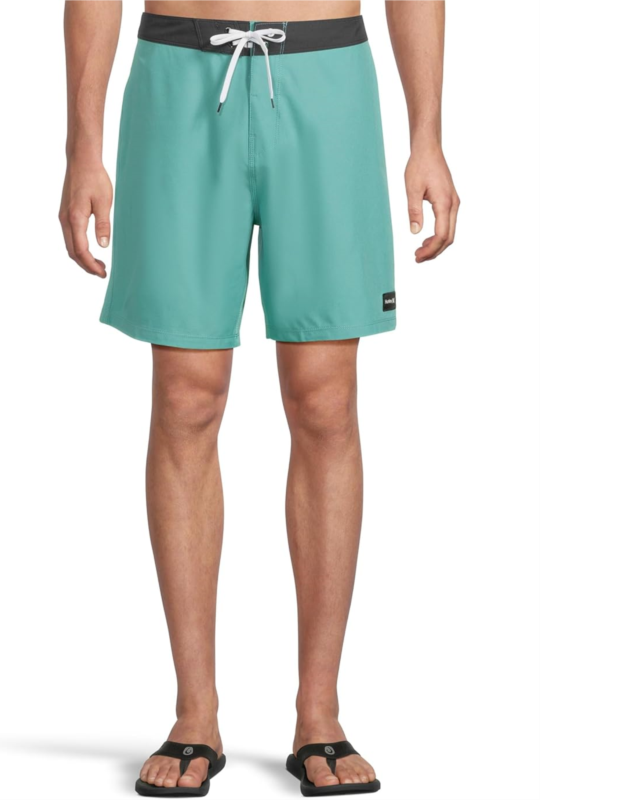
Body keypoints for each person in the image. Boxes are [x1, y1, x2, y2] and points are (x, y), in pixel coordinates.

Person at [59, 0, 459, 795]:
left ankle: (320, 712)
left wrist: (428, 134)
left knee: (325, 401)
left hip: (327, 76)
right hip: (177, 75)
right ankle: (195, 712)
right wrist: (82, 146)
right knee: (186, 398)